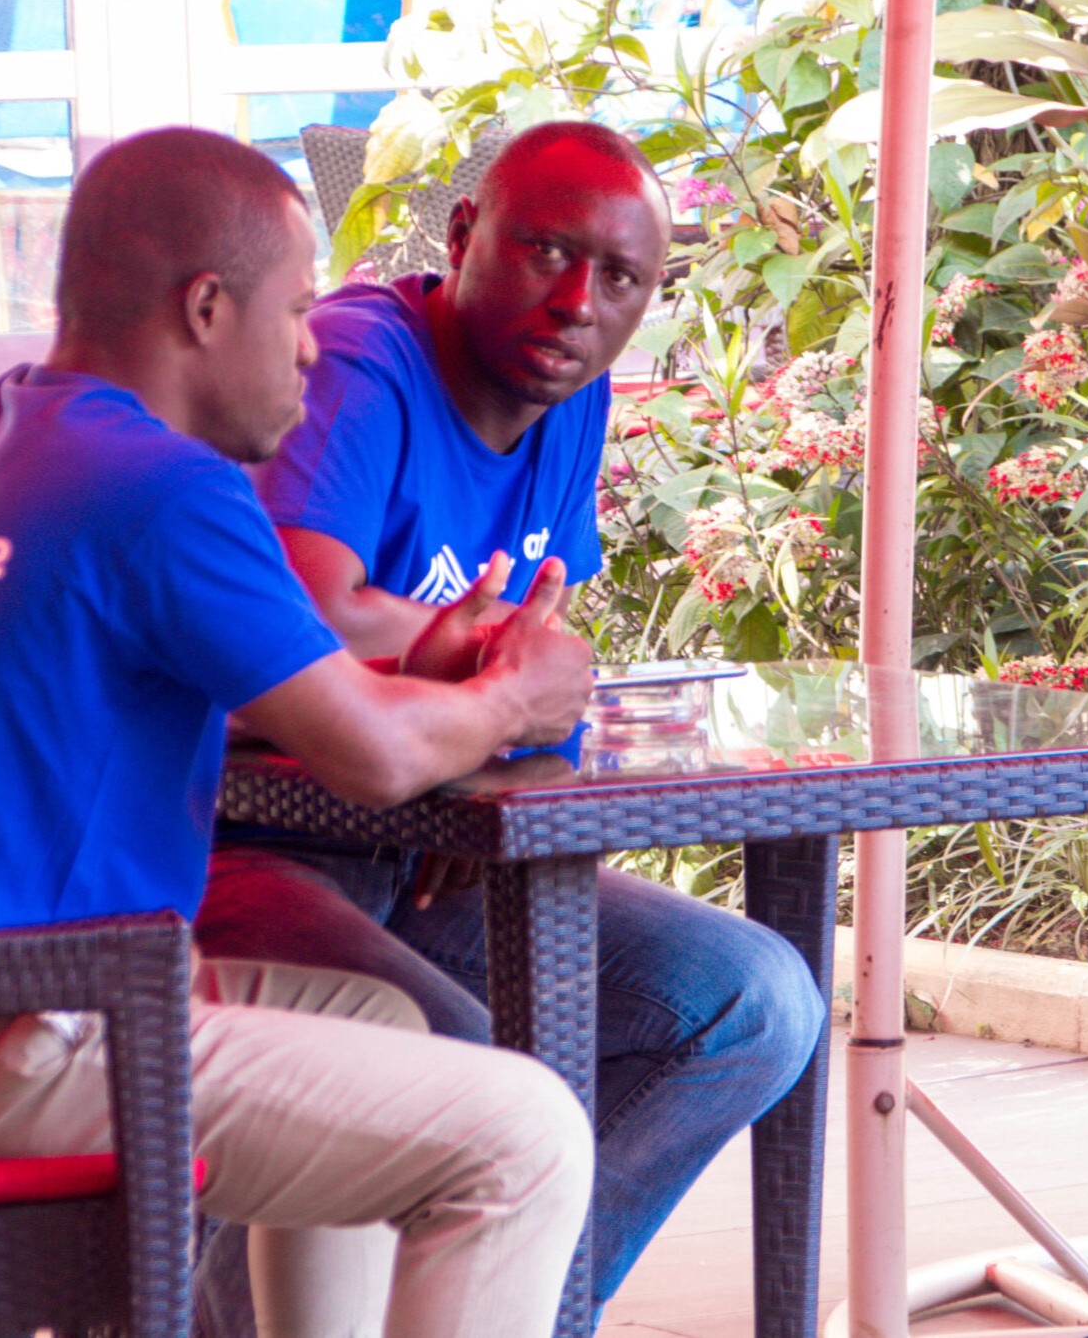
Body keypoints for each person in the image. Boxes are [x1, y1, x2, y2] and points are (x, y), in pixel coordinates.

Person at [0, 126, 598, 1338]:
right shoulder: (160, 487)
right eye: (298, 311)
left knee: (379, 1020)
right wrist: (515, 699)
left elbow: (284, 683)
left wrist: (421, 672)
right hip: (18, 1042)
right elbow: (373, 756)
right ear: (207, 308)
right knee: (526, 1138)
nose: (313, 349)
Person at [193, 119, 828, 1330]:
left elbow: (541, 635)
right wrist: (484, 689)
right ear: (464, 234)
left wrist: (484, 743)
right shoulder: (360, 359)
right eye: (547, 252)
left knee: (755, 1001)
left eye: (622, 278)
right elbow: (308, 611)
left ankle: (519, 1313)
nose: (578, 302)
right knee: (476, 1078)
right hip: (254, 853)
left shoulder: (569, 396)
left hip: (426, 849)